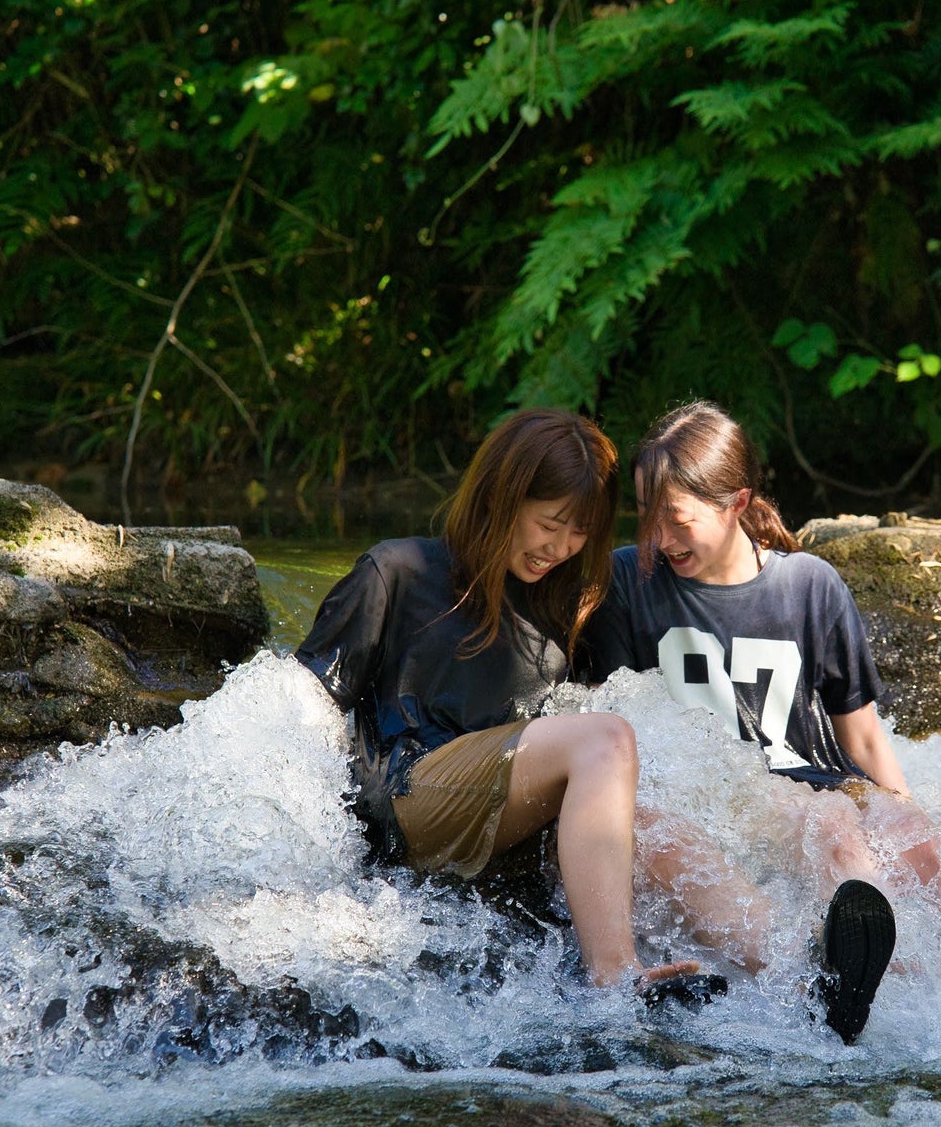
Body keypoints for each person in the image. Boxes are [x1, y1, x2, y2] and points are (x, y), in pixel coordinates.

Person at [580, 401, 941, 1040]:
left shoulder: (810, 587)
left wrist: (906, 812)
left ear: (737, 501)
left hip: (814, 785)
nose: (661, 538)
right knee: (827, 822)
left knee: (910, 832)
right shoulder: (628, 585)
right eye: (648, 517)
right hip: (721, 799)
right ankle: (883, 994)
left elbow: (861, 737)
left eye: (678, 519)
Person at [294, 408, 716, 1002]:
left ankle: (796, 967)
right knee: (606, 738)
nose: (563, 548)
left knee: (659, 836)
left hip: (510, 828)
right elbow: (294, 713)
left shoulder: (566, 603)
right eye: (551, 523)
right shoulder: (395, 572)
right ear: (502, 494)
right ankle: (616, 976)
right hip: (412, 791)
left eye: (581, 535)